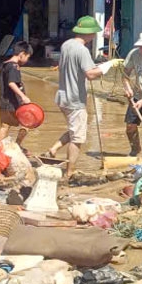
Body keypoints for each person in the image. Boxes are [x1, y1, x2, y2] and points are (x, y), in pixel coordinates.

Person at [46, 16, 108, 180]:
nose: (95, 36)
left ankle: (54, 148)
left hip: (62, 96)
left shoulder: (67, 45)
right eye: (94, 33)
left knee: (76, 129)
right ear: (90, 33)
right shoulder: (82, 50)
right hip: (75, 98)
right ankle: (70, 171)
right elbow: (90, 74)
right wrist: (106, 67)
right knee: (78, 137)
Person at [0, 41, 33, 148]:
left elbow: (1, 83)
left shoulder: (4, 65)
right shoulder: (14, 66)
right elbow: (11, 83)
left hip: (3, 102)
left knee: (4, 126)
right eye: (27, 57)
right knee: (27, 124)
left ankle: (1, 149)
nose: (27, 60)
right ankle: (17, 146)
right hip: (13, 103)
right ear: (22, 54)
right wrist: (23, 96)